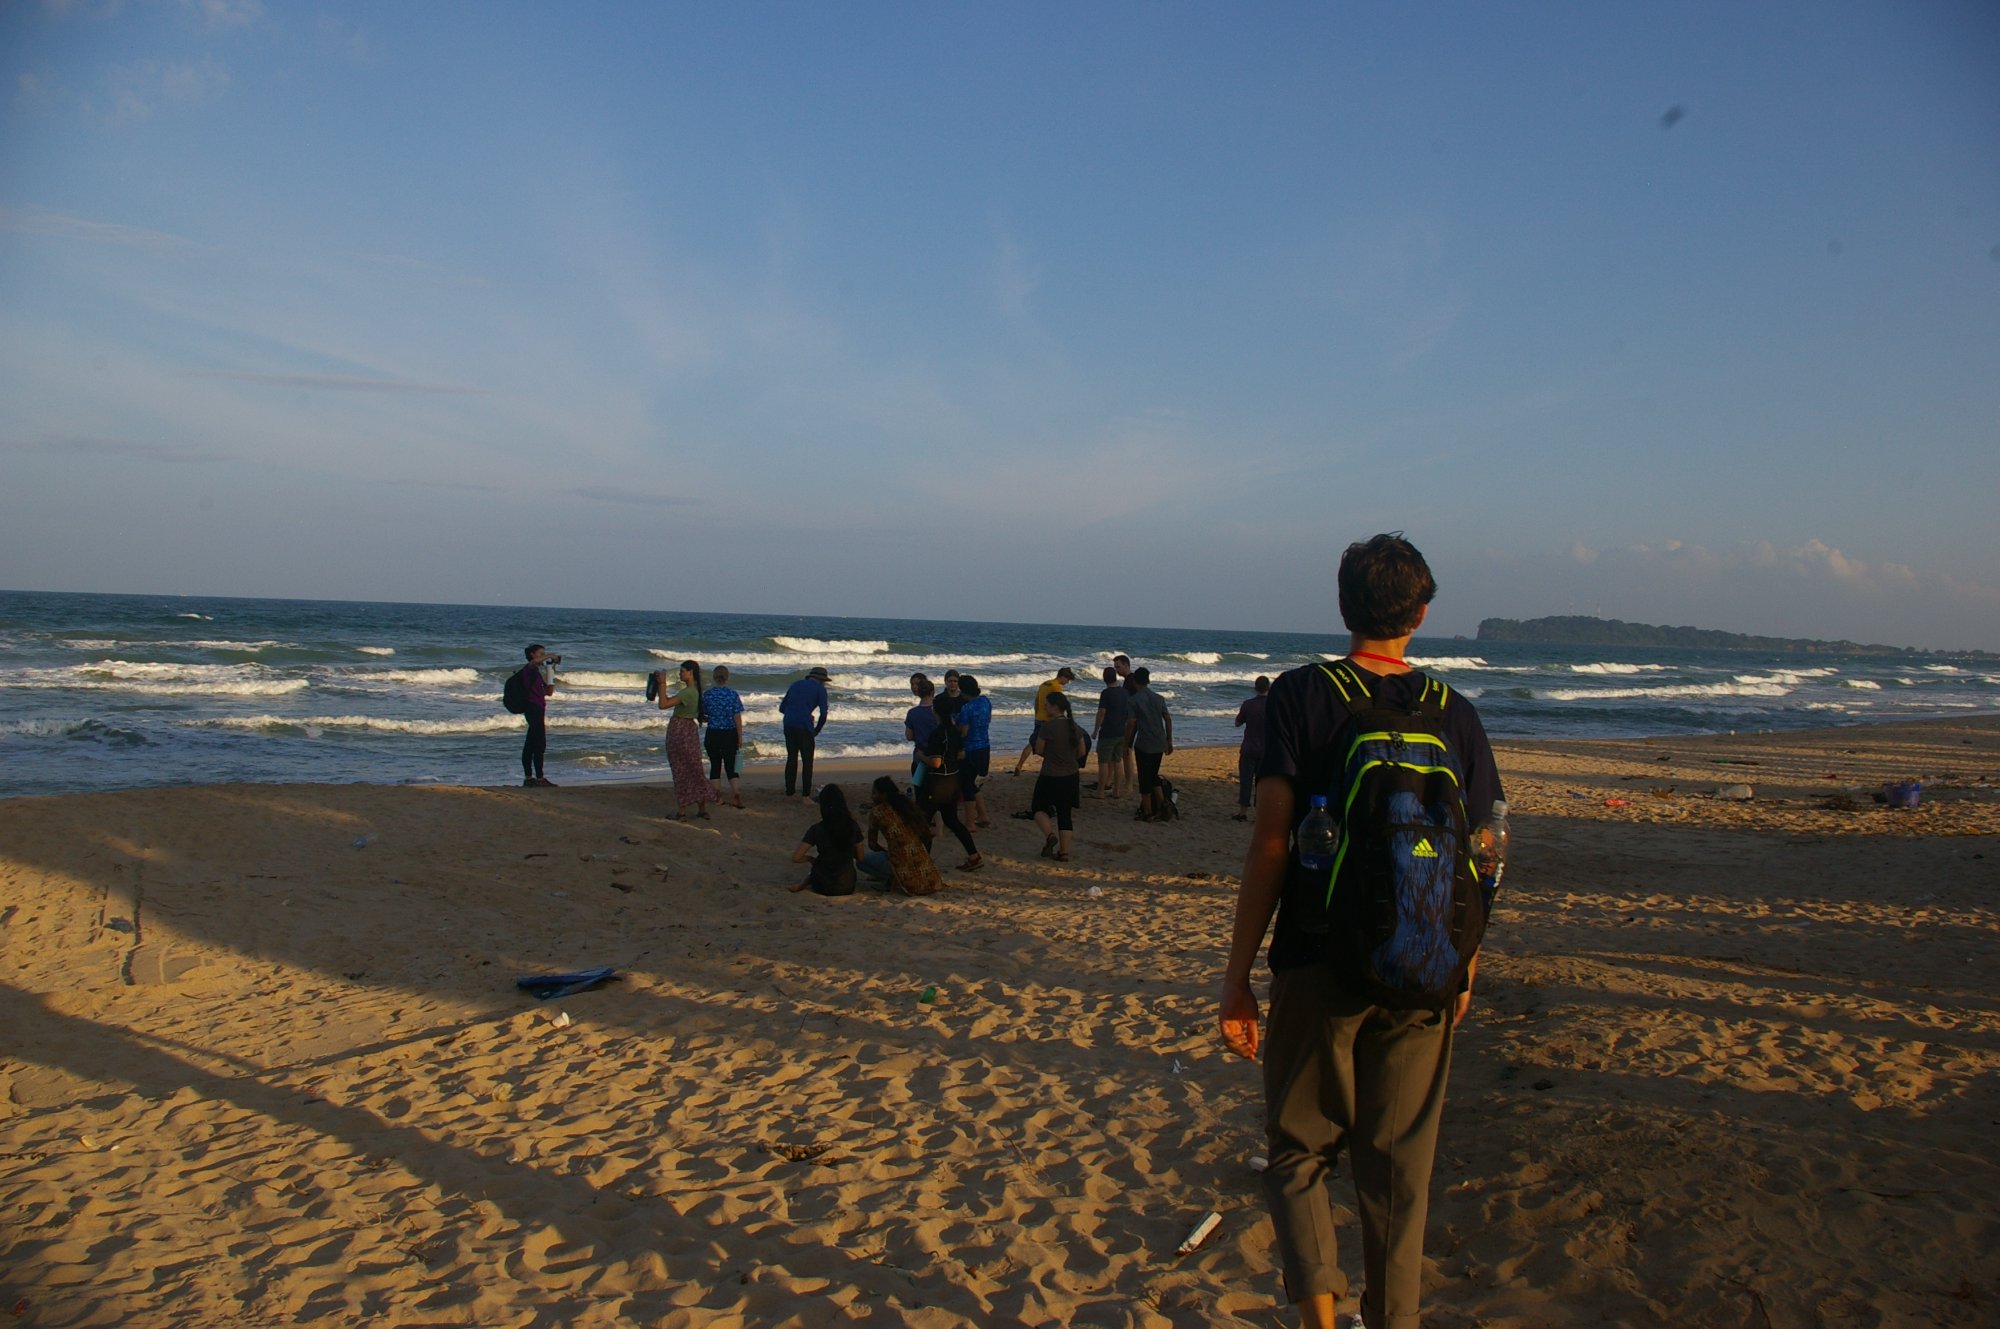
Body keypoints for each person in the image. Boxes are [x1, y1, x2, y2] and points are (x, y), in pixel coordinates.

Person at [1218, 533, 1503, 1329]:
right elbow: (1483, 851)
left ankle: (1318, 1316)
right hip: (1427, 965)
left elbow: (1271, 841)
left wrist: (1237, 973)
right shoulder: (1456, 713)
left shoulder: (1303, 697)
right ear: (1420, 612)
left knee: (1298, 1150)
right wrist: (1466, 965)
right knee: (1398, 1171)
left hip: (1318, 960)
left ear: (1343, 604)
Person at [918, 694, 982, 871]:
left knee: (923, 823)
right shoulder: (954, 731)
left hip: (936, 783)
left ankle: (925, 863)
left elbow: (936, 762)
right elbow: (961, 754)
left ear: (935, 711)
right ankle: (974, 855)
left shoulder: (937, 734)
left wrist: (921, 756)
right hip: (953, 780)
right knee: (952, 820)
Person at [858, 776, 945, 897]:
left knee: (861, 861)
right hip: (924, 865)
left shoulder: (877, 811)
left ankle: (889, 878)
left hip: (901, 863)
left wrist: (887, 852)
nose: (872, 796)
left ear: (883, 795)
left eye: (874, 793)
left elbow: (872, 844)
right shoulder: (906, 806)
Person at [1028, 691, 1089, 862]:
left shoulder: (1047, 727)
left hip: (1050, 774)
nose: (1045, 707)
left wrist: (1052, 754)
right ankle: (1064, 852)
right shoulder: (1075, 728)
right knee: (1065, 814)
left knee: (1038, 808)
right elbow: (1082, 751)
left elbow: (1039, 750)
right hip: (1070, 775)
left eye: (1047, 704)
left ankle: (1049, 835)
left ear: (1055, 707)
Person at [654, 659, 717, 819]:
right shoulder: (695, 691)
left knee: (681, 770)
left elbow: (663, 704)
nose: (681, 673)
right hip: (689, 731)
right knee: (694, 768)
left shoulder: (687, 692)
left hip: (679, 730)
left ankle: (682, 811)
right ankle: (701, 808)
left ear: (690, 673)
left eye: (683, 671)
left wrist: (662, 684)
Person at [788, 783, 863, 896]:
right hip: (847, 885)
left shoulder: (817, 829)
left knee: (818, 866)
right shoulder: (853, 826)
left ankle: (803, 884)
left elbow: (796, 858)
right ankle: (803, 883)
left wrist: (810, 859)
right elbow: (860, 857)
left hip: (822, 885)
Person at [1125, 666, 1173, 821]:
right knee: (1153, 776)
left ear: (1134, 681)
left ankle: (1148, 811)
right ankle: (1162, 805)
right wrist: (1169, 739)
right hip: (1159, 741)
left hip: (1144, 743)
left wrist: (1126, 743)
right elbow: (1167, 719)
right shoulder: (1159, 698)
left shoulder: (1133, 700)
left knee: (1144, 779)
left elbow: (1131, 723)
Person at [1012, 666, 1077, 776]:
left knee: (1033, 742)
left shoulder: (1044, 684)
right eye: (1068, 679)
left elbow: (1037, 701)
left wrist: (1037, 714)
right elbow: (1058, 705)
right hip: (1049, 719)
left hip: (1039, 717)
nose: (1067, 682)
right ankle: (1050, 766)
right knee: (1050, 746)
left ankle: (1020, 764)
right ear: (1063, 677)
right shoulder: (1056, 687)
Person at [778, 666, 831, 802]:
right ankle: (805, 796)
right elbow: (824, 714)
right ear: (821, 680)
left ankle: (789, 792)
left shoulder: (795, 684)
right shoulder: (820, 690)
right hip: (804, 727)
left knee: (792, 757)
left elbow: (782, 708)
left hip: (788, 723)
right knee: (807, 761)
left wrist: (801, 712)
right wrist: (816, 730)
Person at [954, 673, 995, 830]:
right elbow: (988, 720)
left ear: (963, 691)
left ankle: (970, 823)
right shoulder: (986, 701)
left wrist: (954, 726)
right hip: (984, 746)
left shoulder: (966, 708)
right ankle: (983, 815)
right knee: (971, 782)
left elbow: (963, 732)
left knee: (966, 784)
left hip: (970, 749)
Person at [703, 664, 746, 809]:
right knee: (731, 766)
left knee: (715, 765)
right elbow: (737, 716)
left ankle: (717, 797)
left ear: (714, 678)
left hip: (713, 733)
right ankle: (736, 795)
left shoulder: (708, 695)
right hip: (729, 733)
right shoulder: (733, 694)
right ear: (727, 678)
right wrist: (740, 736)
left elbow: (703, 715)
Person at [516, 643, 559, 787]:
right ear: (532, 655)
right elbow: (534, 663)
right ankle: (539, 778)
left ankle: (529, 778)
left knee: (530, 743)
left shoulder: (537, 674)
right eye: (540, 653)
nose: (542, 656)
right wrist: (550, 656)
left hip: (539, 708)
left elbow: (549, 692)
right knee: (539, 743)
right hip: (532, 708)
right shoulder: (528, 669)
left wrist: (551, 671)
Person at [1233, 675, 1272, 822]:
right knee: (1262, 783)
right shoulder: (1273, 704)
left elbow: (1238, 722)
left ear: (1255, 688)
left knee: (1246, 781)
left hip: (1249, 747)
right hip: (1266, 749)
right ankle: (1259, 813)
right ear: (1268, 687)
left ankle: (1242, 812)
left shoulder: (1248, 704)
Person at [1091, 664, 1131, 800]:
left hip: (1108, 731)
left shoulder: (1106, 693)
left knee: (1103, 762)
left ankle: (1100, 791)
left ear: (1104, 679)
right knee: (1117, 761)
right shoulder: (1124, 692)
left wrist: (1096, 730)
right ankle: (1117, 791)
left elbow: (1101, 712)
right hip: (1121, 730)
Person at [905, 675, 940, 791]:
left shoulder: (912, 713)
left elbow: (909, 736)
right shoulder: (939, 711)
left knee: (920, 792)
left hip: (920, 757)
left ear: (918, 693)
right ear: (932, 692)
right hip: (938, 756)